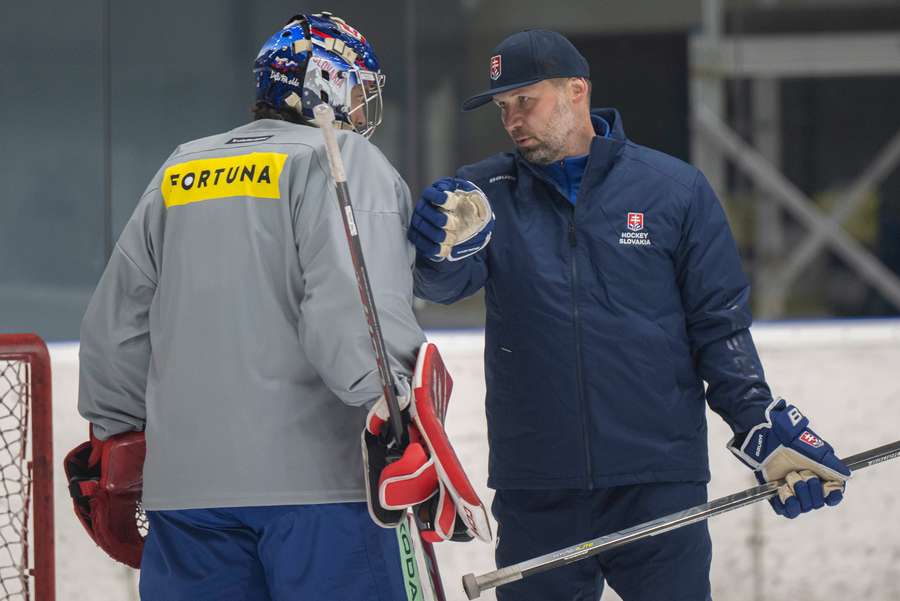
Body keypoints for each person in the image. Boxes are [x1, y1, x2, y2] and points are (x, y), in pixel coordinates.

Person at [407, 29, 851, 601]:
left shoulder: (673, 190)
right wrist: (436, 250)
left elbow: (718, 324)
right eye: (502, 107)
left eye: (526, 100)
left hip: (659, 483)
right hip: (538, 486)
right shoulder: (484, 194)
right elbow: (442, 286)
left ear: (576, 91)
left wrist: (759, 425)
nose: (513, 120)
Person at [77, 12, 427, 600]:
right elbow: (352, 311)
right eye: (360, 90)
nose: (365, 111)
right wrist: (394, 413)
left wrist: (116, 436)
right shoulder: (340, 160)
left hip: (186, 496)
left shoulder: (182, 166)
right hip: (324, 492)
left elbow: (115, 327)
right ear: (326, 86)